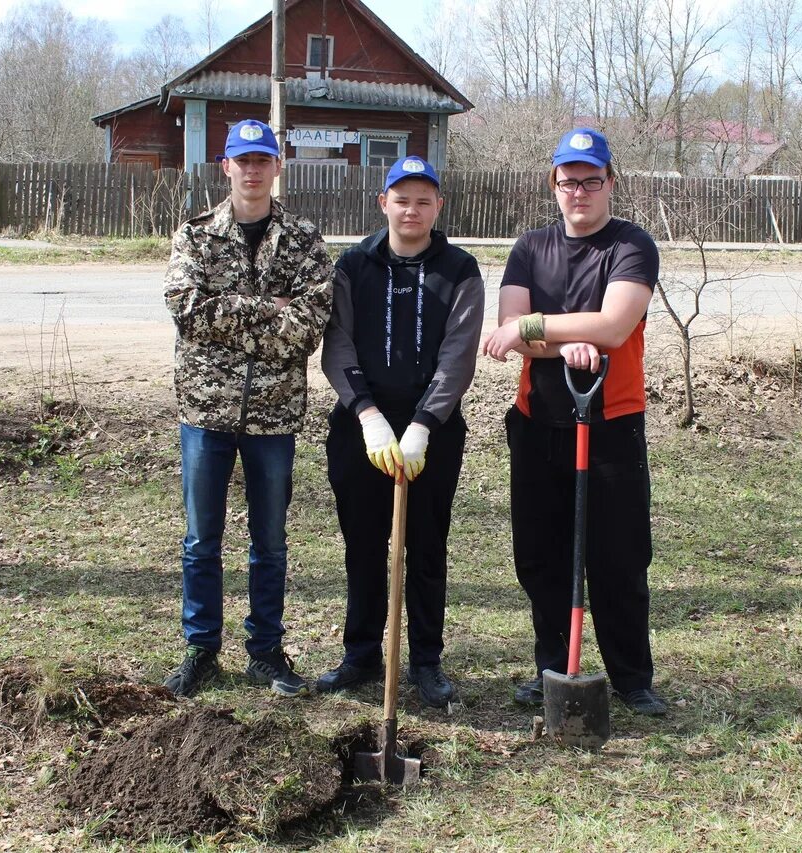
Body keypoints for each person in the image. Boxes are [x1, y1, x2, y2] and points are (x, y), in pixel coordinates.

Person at [481, 127, 668, 716]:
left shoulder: (631, 245)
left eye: (592, 180)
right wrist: (562, 342)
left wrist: (537, 330)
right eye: (569, 181)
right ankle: (553, 666)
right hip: (539, 422)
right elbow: (506, 332)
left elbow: (613, 327)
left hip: (611, 422)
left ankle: (632, 677)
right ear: (553, 185)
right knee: (541, 555)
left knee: (618, 555)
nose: (579, 192)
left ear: (610, 182)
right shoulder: (530, 248)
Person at [162, 118, 333, 699]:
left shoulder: (306, 242)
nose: (253, 170)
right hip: (205, 411)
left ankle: (265, 650)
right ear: (227, 166)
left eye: (264, 160)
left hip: (274, 415)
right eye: (244, 160)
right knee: (200, 541)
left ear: (277, 167)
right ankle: (200, 647)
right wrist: (267, 307)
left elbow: (308, 327)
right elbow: (186, 308)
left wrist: (230, 314)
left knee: (271, 542)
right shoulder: (195, 236)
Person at [317, 155, 484, 708]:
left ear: (438, 207)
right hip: (360, 428)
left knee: (427, 545)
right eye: (401, 198)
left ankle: (426, 661)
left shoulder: (459, 270)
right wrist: (366, 415)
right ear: (383, 202)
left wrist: (421, 424)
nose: (411, 209)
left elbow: (458, 356)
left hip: (430, 432)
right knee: (363, 546)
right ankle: (361, 653)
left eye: (423, 200)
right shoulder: (352, 264)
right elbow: (337, 344)